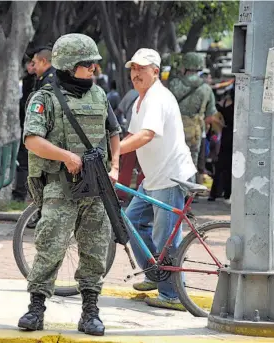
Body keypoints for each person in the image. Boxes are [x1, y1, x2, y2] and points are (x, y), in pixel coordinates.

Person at [18, 33, 121, 336]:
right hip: (61, 186)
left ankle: (90, 312)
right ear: (69, 64)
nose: (93, 68)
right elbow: (32, 140)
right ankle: (36, 309)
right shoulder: (45, 98)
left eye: (94, 63)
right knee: (50, 246)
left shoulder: (100, 96)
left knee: (94, 249)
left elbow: (114, 132)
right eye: (87, 63)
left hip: (95, 187)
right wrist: (66, 157)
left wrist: (114, 166)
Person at [119, 48, 196, 311]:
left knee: (167, 237)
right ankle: (155, 274)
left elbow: (145, 135)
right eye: (133, 69)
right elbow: (131, 137)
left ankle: (173, 294)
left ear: (155, 71)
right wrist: (114, 164)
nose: (135, 73)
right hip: (154, 177)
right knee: (131, 220)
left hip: (170, 177)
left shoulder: (157, 98)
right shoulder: (141, 100)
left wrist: (114, 151)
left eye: (141, 68)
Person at [168, 52, 217, 186]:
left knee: (173, 160)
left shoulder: (174, 84)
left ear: (185, 66)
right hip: (195, 130)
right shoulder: (206, 88)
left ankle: (173, 190)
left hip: (173, 129)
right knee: (192, 161)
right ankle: (189, 193)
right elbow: (211, 116)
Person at [12, 56, 36, 202]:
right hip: (26, 127)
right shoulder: (30, 80)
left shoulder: (37, 81)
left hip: (32, 129)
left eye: (33, 63)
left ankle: (21, 193)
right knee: (23, 162)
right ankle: (21, 192)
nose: (31, 66)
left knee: (24, 162)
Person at [208, 85, 235, 202]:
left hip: (223, 135)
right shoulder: (236, 106)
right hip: (233, 136)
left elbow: (213, 116)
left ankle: (214, 193)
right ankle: (227, 193)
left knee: (220, 165)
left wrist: (221, 124)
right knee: (230, 166)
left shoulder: (221, 104)